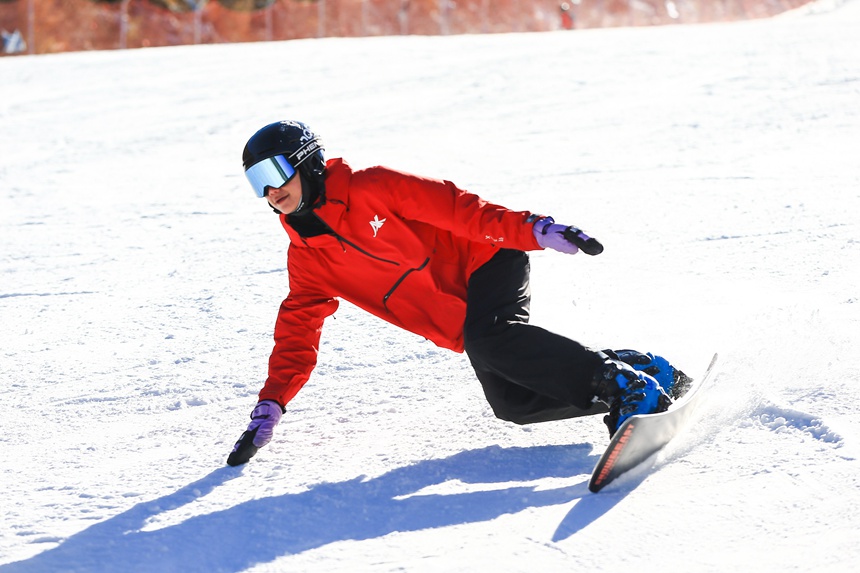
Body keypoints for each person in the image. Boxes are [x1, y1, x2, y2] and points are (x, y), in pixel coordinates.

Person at [227, 120, 688, 466]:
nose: (269, 191)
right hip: (463, 318)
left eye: (273, 172)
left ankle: (625, 386)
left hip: (487, 258)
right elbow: (296, 332)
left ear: (306, 161)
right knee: (513, 404)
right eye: (255, 183)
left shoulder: (373, 186)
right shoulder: (308, 258)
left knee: (494, 337)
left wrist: (535, 229)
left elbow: (460, 208)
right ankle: (641, 369)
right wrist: (273, 401)